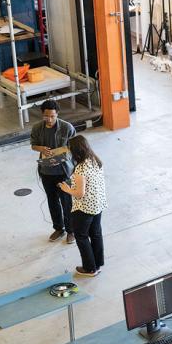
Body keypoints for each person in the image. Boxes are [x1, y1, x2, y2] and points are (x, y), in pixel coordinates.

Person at [29, 99, 75, 243]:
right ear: (42, 114)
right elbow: (33, 145)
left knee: (67, 203)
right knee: (52, 201)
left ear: (57, 114)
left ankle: (71, 231)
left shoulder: (67, 128)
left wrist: (64, 154)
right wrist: (40, 148)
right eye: (46, 116)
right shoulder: (37, 128)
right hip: (46, 172)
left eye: (52, 116)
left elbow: (75, 147)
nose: (49, 119)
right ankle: (58, 229)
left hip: (63, 172)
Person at [60, 135, 106, 276]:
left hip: (84, 208)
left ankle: (89, 268)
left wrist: (66, 188)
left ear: (76, 151)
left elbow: (79, 194)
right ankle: (98, 263)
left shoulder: (80, 169)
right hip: (97, 204)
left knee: (81, 236)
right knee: (96, 234)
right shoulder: (95, 160)